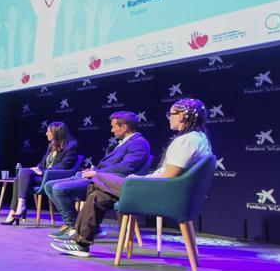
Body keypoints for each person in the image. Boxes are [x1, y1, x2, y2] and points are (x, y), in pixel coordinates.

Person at [52, 99, 211, 257]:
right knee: (97, 196)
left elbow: (168, 177)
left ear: (183, 115)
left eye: (171, 113)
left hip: (159, 193)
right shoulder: (198, 139)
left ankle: (80, 236)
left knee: (97, 180)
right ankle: (81, 242)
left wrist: (140, 180)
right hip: (159, 189)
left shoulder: (186, 141)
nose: (169, 117)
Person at [45, 110, 152, 242]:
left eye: (114, 126)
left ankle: (75, 227)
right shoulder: (124, 142)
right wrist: (94, 170)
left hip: (109, 183)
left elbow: (126, 167)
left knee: (59, 189)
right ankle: (78, 226)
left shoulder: (138, 143)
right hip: (99, 177)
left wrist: (97, 173)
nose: (112, 130)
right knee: (49, 185)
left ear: (124, 127)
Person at [0, 121, 79, 225]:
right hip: (44, 176)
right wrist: (36, 169)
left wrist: (43, 171)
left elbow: (64, 166)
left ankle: (19, 208)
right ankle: (15, 210)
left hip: (55, 178)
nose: (46, 133)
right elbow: (42, 163)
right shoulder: (51, 146)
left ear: (56, 132)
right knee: (18, 178)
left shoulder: (71, 146)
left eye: (48, 131)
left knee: (23, 174)